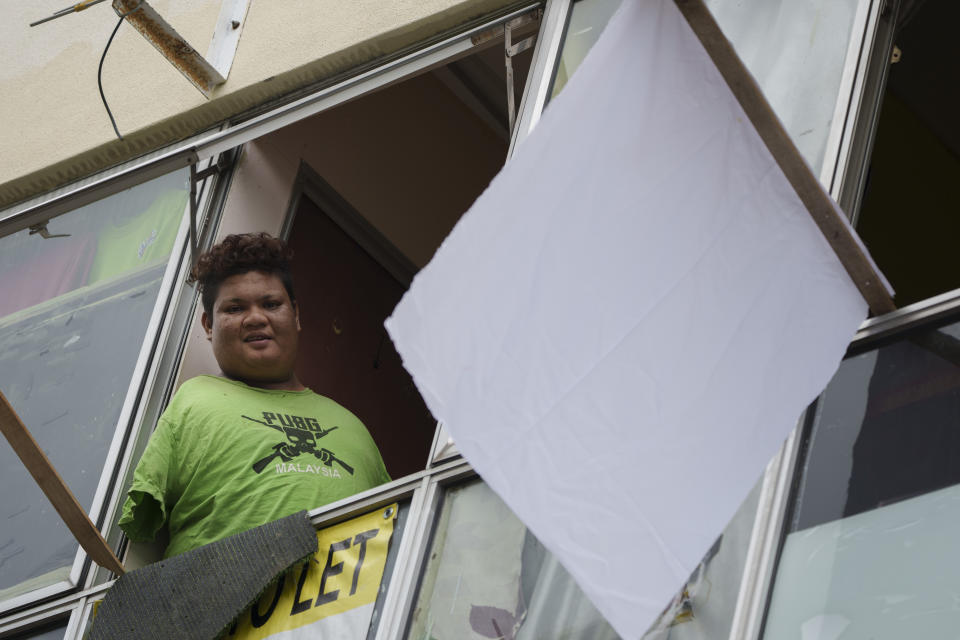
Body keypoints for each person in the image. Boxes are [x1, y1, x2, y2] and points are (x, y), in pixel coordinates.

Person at [119, 232, 390, 557]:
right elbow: (136, 543)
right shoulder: (193, 401)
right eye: (234, 308)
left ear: (296, 315)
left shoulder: (352, 427)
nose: (256, 318)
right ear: (208, 325)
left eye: (271, 304)